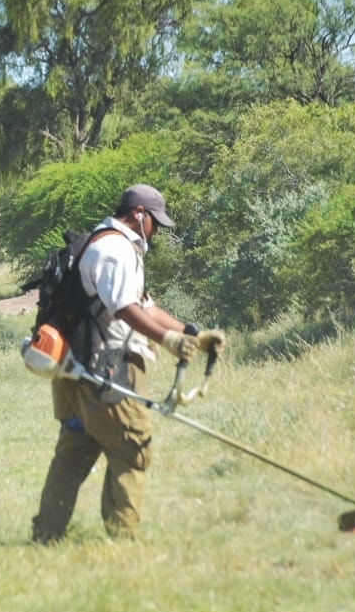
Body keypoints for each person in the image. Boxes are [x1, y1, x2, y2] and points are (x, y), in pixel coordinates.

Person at [30, 184, 225, 543]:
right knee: (132, 447)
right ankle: (122, 541)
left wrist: (191, 334)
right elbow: (124, 308)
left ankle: (47, 536)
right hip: (108, 367)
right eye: (155, 223)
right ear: (139, 215)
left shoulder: (105, 243)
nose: (156, 231)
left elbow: (145, 307)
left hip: (78, 368)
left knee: (74, 451)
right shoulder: (115, 249)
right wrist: (167, 341)